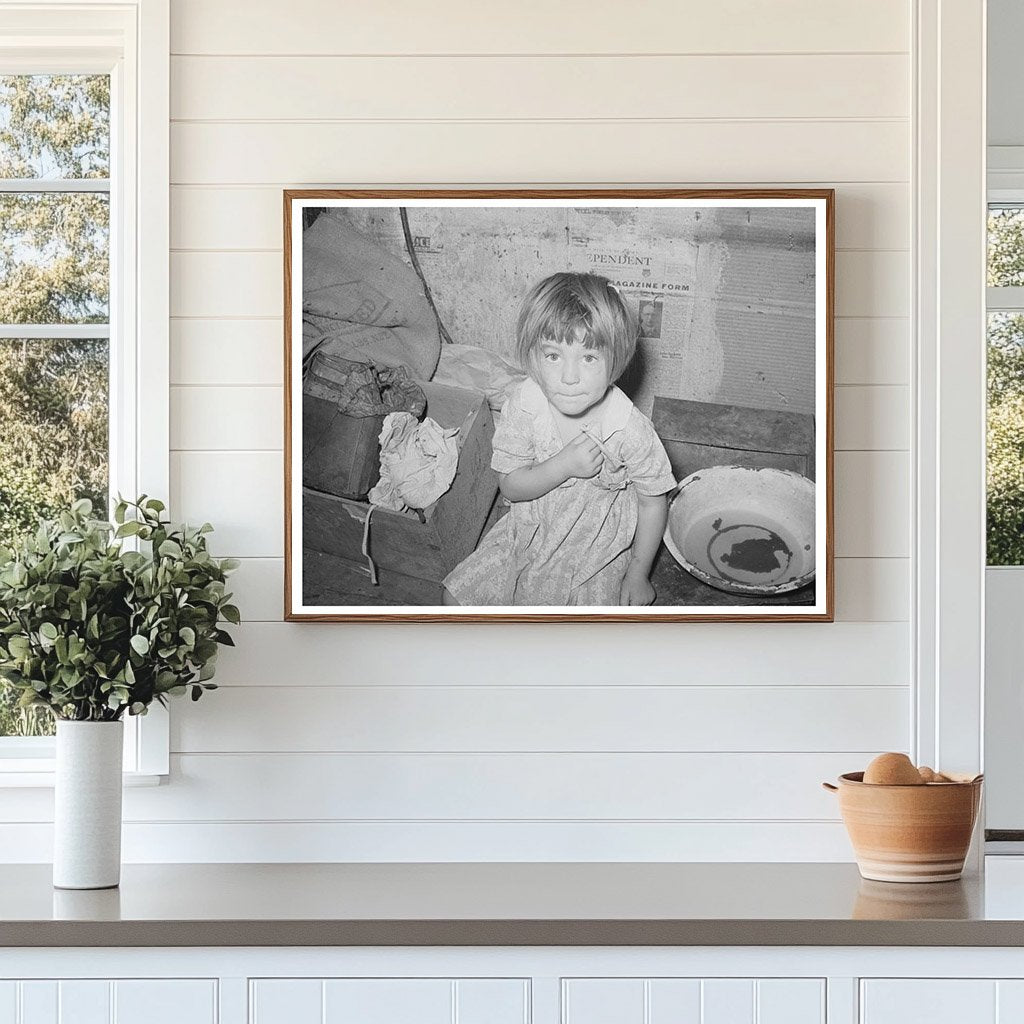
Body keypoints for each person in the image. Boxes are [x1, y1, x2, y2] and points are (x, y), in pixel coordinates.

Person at [443, 272, 676, 607]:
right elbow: (509, 486)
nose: (569, 377)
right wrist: (563, 465)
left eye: (589, 358)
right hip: (529, 533)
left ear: (617, 360)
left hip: (595, 554)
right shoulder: (525, 406)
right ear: (533, 356)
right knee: (452, 599)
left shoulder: (627, 428)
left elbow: (653, 501)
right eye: (553, 355)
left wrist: (638, 573)